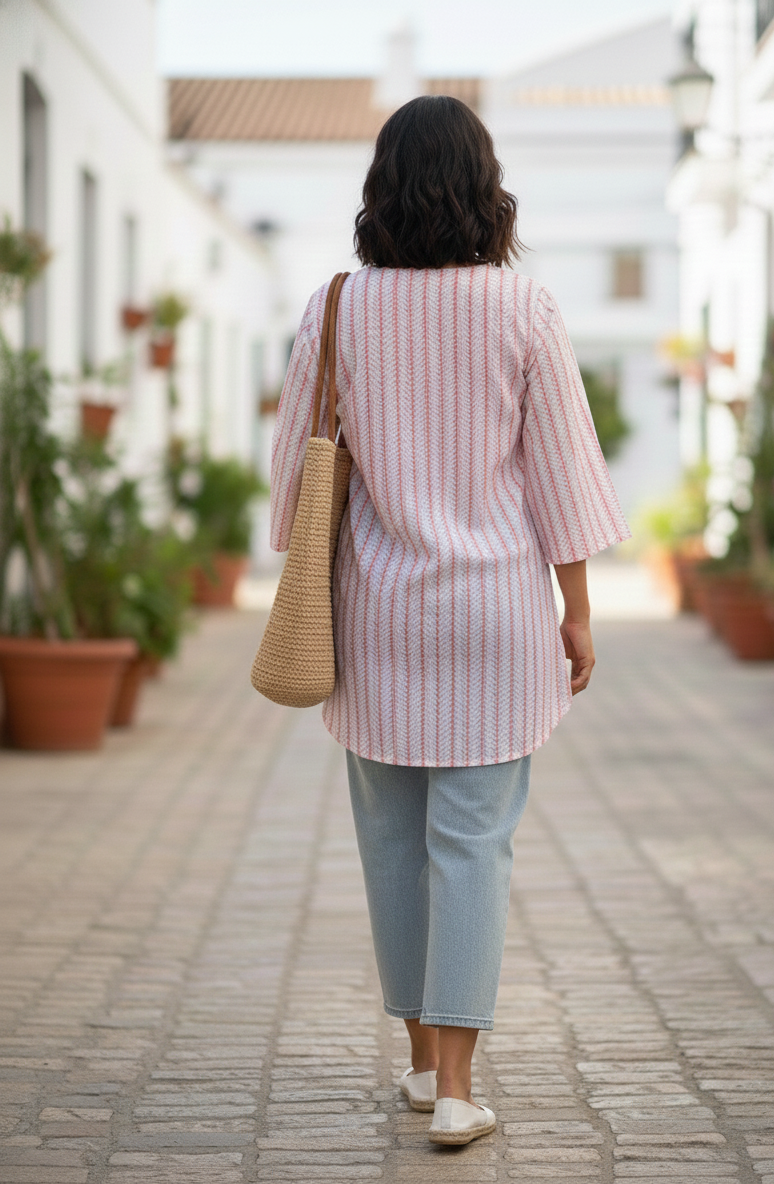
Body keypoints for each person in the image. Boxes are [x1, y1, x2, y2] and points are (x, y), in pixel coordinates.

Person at [270, 94, 629, 1146]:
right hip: (496, 616)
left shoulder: (336, 306)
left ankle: (423, 1065)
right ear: (486, 188)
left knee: (391, 841)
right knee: (473, 843)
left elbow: (295, 483)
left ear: (379, 189)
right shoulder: (526, 309)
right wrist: (579, 613)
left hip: (376, 618)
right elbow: (563, 474)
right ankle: (463, 1089)